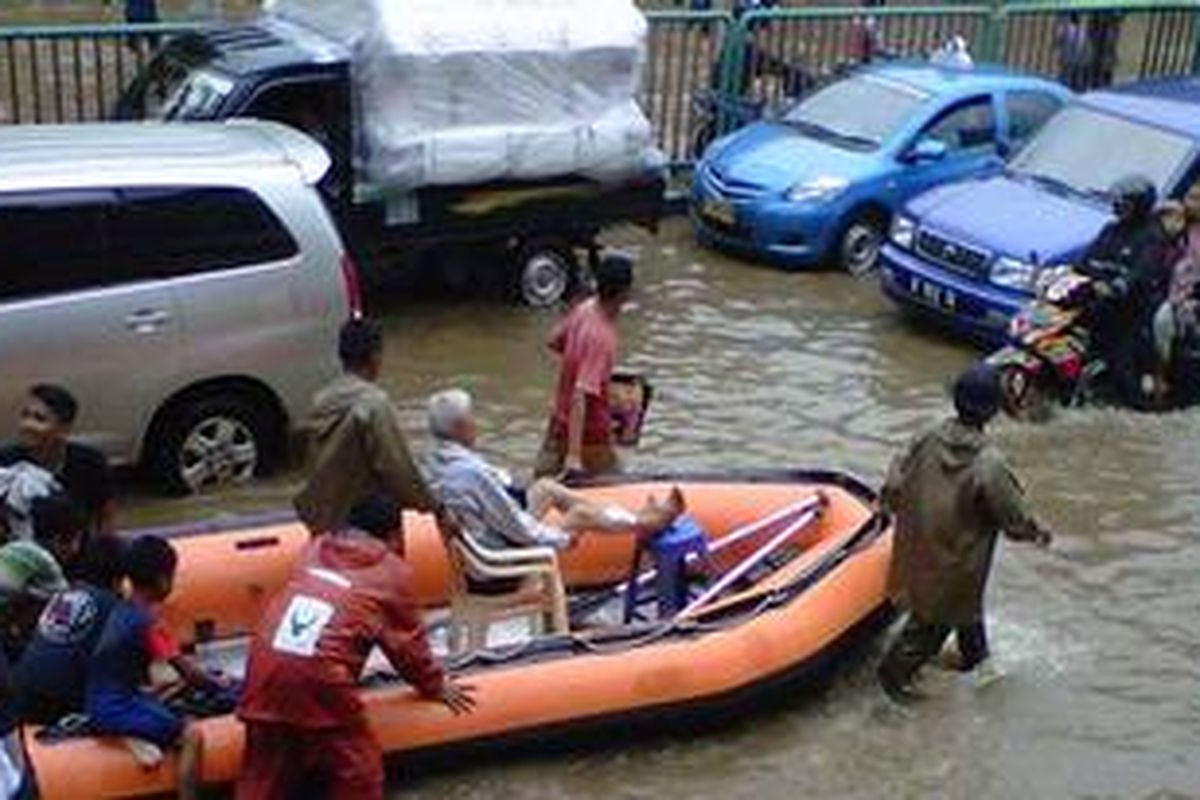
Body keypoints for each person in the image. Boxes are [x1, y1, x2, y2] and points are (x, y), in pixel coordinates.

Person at [236, 495, 476, 800]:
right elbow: (407, 646)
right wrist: (434, 685)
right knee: (359, 768)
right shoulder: (390, 573)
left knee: (265, 768)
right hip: (319, 676)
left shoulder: (314, 549)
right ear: (395, 535)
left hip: (262, 664)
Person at [877, 364, 1052, 701]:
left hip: (917, 547)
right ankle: (892, 699)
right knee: (923, 635)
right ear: (993, 409)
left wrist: (887, 504)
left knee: (964, 609)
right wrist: (1037, 533)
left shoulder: (925, 436)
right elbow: (1013, 518)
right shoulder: (989, 464)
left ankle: (979, 662)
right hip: (956, 565)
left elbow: (895, 483)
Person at [425, 389, 684, 575]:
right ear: (460, 427)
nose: (476, 423)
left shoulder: (439, 461)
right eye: (471, 418)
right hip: (496, 563)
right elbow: (515, 526)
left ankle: (640, 520)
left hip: (483, 545)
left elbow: (499, 504)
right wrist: (560, 538)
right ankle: (646, 523)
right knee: (581, 515)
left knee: (546, 487)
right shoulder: (470, 473)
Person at [293, 318, 453, 538]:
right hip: (362, 518)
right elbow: (399, 469)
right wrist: (437, 508)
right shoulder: (374, 404)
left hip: (323, 517)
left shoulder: (320, 400)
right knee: (386, 506)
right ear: (375, 357)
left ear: (342, 357)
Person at [86, 536, 208, 799]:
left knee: (167, 691)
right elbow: (192, 675)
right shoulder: (150, 623)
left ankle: (132, 735)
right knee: (192, 735)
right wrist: (224, 684)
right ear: (163, 580)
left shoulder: (121, 609)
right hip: (114, 710)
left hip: (98, 702)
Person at [534, 253, 635, 478]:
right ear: (625, 293)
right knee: (615, 485)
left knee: (543, 484)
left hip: (559, 422)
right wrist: (574, 455)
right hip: (590, 436)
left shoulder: (585, 309)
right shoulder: (601, 336)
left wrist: (586, 364)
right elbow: (581, 395)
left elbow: (554, 341)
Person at [1080, 175, 1173, 407]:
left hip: (1131, 315)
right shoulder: (1110, 230)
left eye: (1124, 204)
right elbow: (1084, 263)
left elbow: (1141, 274)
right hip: (1098, 306)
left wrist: (1119, 286)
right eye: (1117, 203)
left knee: (1122, 369)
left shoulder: (1153, 237)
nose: (1117, 208)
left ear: (1139, 206)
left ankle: (1129, 402)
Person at [13, 534, 126, 725]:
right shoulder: (110, 606)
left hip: (21, 688)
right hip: (57, 701)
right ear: (119, 577)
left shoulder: (67, 592)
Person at [0, 384, 116, 542]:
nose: (27, 425)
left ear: (63, 429)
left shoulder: (91, 463)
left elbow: (105, 518)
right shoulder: (5, 463)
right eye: (25, 416)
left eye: (39, 419)